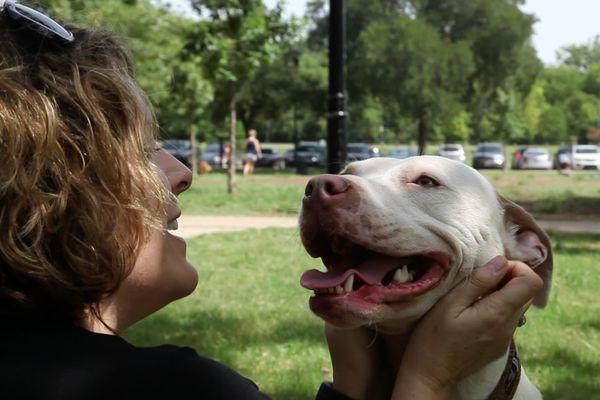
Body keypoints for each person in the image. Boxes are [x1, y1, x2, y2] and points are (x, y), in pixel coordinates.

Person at [0, 2, 544, 399]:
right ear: (51, 197)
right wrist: (429, 380)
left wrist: (353, 387)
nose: (182, 171)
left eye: (424, 183)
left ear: (525, 244)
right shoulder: (177, 390)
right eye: (143, 150)